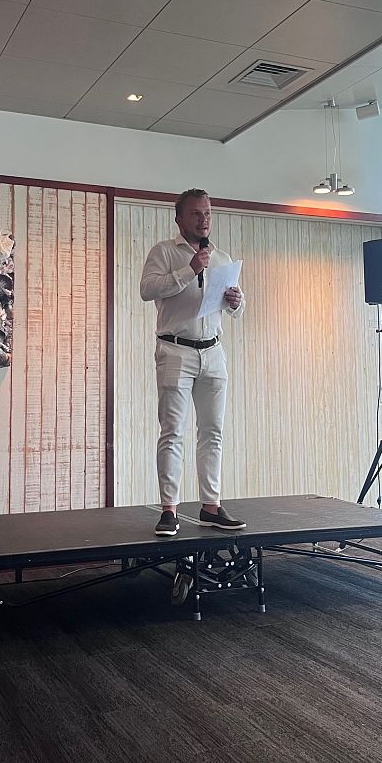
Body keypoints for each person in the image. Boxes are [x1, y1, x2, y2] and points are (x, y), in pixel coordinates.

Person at [140, 188, 246, 537]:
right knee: (173, 431)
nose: (204, 219)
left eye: (208, 213)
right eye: (196, 213)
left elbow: (235, 309)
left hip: (213, 352)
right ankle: (169, 510)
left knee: (213, 432)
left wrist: (236, 301)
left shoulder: (222, 258)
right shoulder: (164, 252)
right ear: (180, 219)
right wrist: (190, 270)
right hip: (176, 351)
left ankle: (210, 506)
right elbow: (147, 290)